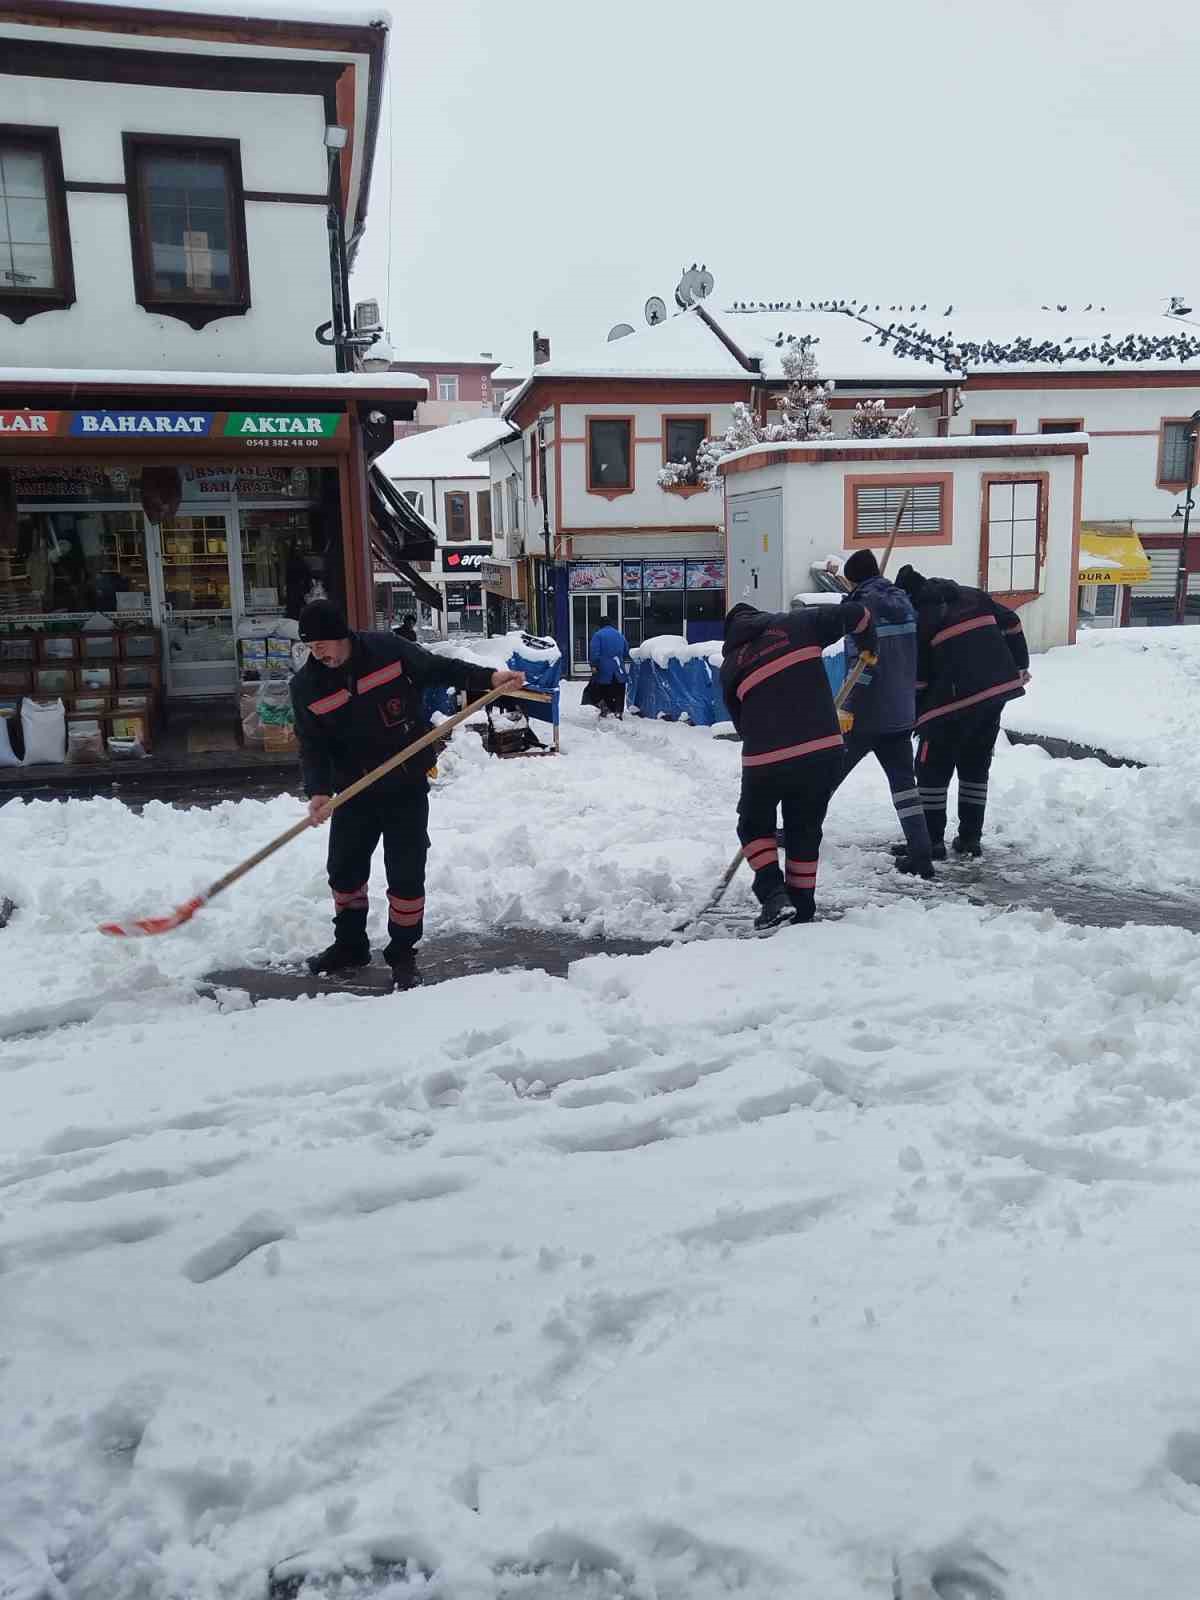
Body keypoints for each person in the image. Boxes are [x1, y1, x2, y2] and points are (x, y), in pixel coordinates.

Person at [291, 599, 525, 988]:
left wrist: (490, 679)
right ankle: (349, 945)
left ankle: (403, 954)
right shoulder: (307, 687)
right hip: (352, 791)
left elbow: (439, 668)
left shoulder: (387, 651)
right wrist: (317, 791)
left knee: (406, 873)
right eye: (311, 648)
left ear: (343, 636)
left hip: (404, 784)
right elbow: (311, 745)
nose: (319, 654)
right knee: (344, 872)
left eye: (324, 644)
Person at [720, 598, 877, 929]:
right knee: (803, 828)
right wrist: (867, 642)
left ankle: (773, 895)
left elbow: (742, 724)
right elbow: (860, 613)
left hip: (766, 755)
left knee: (752, 825)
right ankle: (802, 910)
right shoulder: (799, 624)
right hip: (822, 748)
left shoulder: (732, 664)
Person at [894, 566, 1030, 860]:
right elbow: (1013, 622)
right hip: (994, 695)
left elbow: (919, 679)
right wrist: (1020, 665)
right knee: (974, 766)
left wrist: (914, 716)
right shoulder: (974, 596)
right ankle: (970, 839)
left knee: (931, 770)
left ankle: (930, 842)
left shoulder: (921, 617)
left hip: (950, 703)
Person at [835, 549, 936, 878]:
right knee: (905, 786)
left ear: (853, 579)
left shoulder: (860, 611)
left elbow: (862, 665)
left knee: (825, 774)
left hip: (866, 715)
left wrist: (847, 706)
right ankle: (922, 855)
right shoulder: (904, 603)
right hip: (900, 711)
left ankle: (796, 834)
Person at [586, 620, 630, 718]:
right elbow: (626, 651)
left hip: (604, 669)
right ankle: (618, 711)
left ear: (600, 626)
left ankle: (608, 708)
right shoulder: (619, 635)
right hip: (619, 669)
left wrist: (594, 665)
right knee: (619, 690)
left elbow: (594, 653)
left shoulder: (598, 635)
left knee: (603, 690)